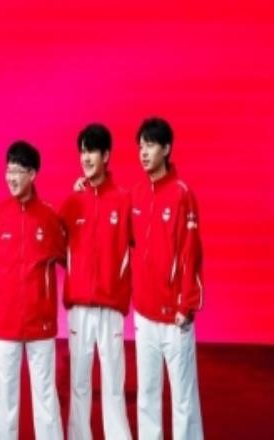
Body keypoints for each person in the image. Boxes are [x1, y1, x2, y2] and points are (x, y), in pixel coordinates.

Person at [0, 141, 65, 440]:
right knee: (4, 399)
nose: (11, 177)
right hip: (7, 325)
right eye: (8, 170)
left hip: (41, 325)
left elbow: (70, 256)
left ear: (32, 173)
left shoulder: (49, 218)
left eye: (17, 171)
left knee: (45, 398)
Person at [131, 117, 204, 440]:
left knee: (183, 399)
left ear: (167, 148)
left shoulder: (181, 195)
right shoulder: (136, 194)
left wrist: (186, 305)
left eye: (150, 145)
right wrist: (86, 186)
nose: (144, 153)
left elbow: (191, 253)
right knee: (147, 395)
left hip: (175, 317)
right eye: (141, 147)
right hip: (144, 314)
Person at [60, 123, 132, 440]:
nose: (86, 158)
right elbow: (55, 244)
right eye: (82, 151)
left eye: (91, 151)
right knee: (78, 381)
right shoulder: (73, 201)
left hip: (111, 307)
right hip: (79, 307)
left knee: (113, 382)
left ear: (106, 155)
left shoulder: (124, 201)